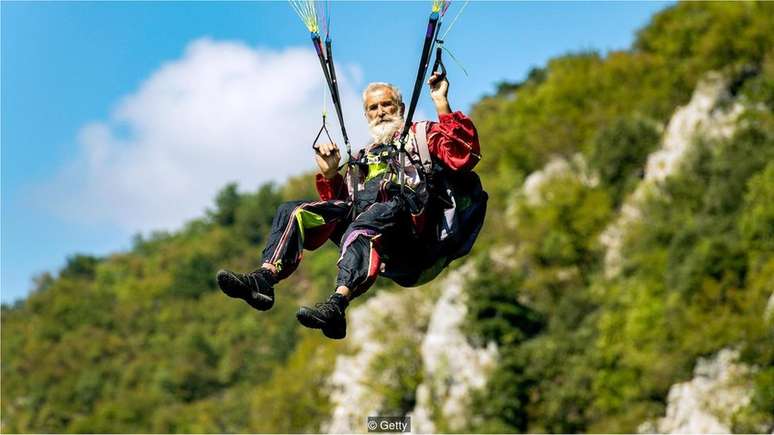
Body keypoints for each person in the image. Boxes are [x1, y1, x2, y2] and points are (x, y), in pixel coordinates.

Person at [216, 72, 480, 339]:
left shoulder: (421, 136)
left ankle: (338, 302)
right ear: (366, 116)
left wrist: (441, 103)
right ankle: (265, 278)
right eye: (373, 108)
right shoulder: (361, 158)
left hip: (414, 240)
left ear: (399, 108)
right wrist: (331, 174)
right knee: (294, 211)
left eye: (386, 104)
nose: (380, 112)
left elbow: (465, 154)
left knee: (372, 216)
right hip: (372, 232)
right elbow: (341, 205)